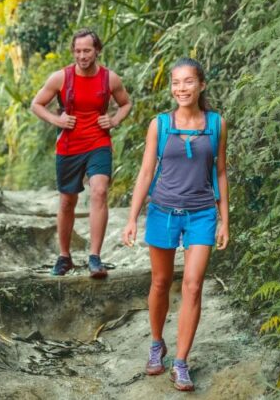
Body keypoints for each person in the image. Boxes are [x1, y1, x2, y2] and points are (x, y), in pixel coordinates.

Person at [121, 57, 229, 392]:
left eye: (188, 82)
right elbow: (145, 173)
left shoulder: (216, 124)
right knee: (160, 282)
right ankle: (157, 343)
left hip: (201, 214)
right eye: (176, 82)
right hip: (163, 212)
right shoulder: (160, 124)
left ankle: (181, 362)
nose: (181, 88)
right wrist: (131, 218)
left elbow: (221, 172)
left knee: (193, 286)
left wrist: (225, 219)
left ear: (201, 85)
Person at [31, 28, 132, 278]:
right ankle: (64, 257)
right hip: (69, 146)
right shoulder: (61, 78)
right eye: (77, 51)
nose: (82, 56)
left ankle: (95, 257)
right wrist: (57, 120)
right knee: (67, 201)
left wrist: (114, 120)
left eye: (87, 50)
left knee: (99, 190)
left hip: (98, 142)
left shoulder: (110, 79)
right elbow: (36, 104)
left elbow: (126, 103)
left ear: (97, 50)